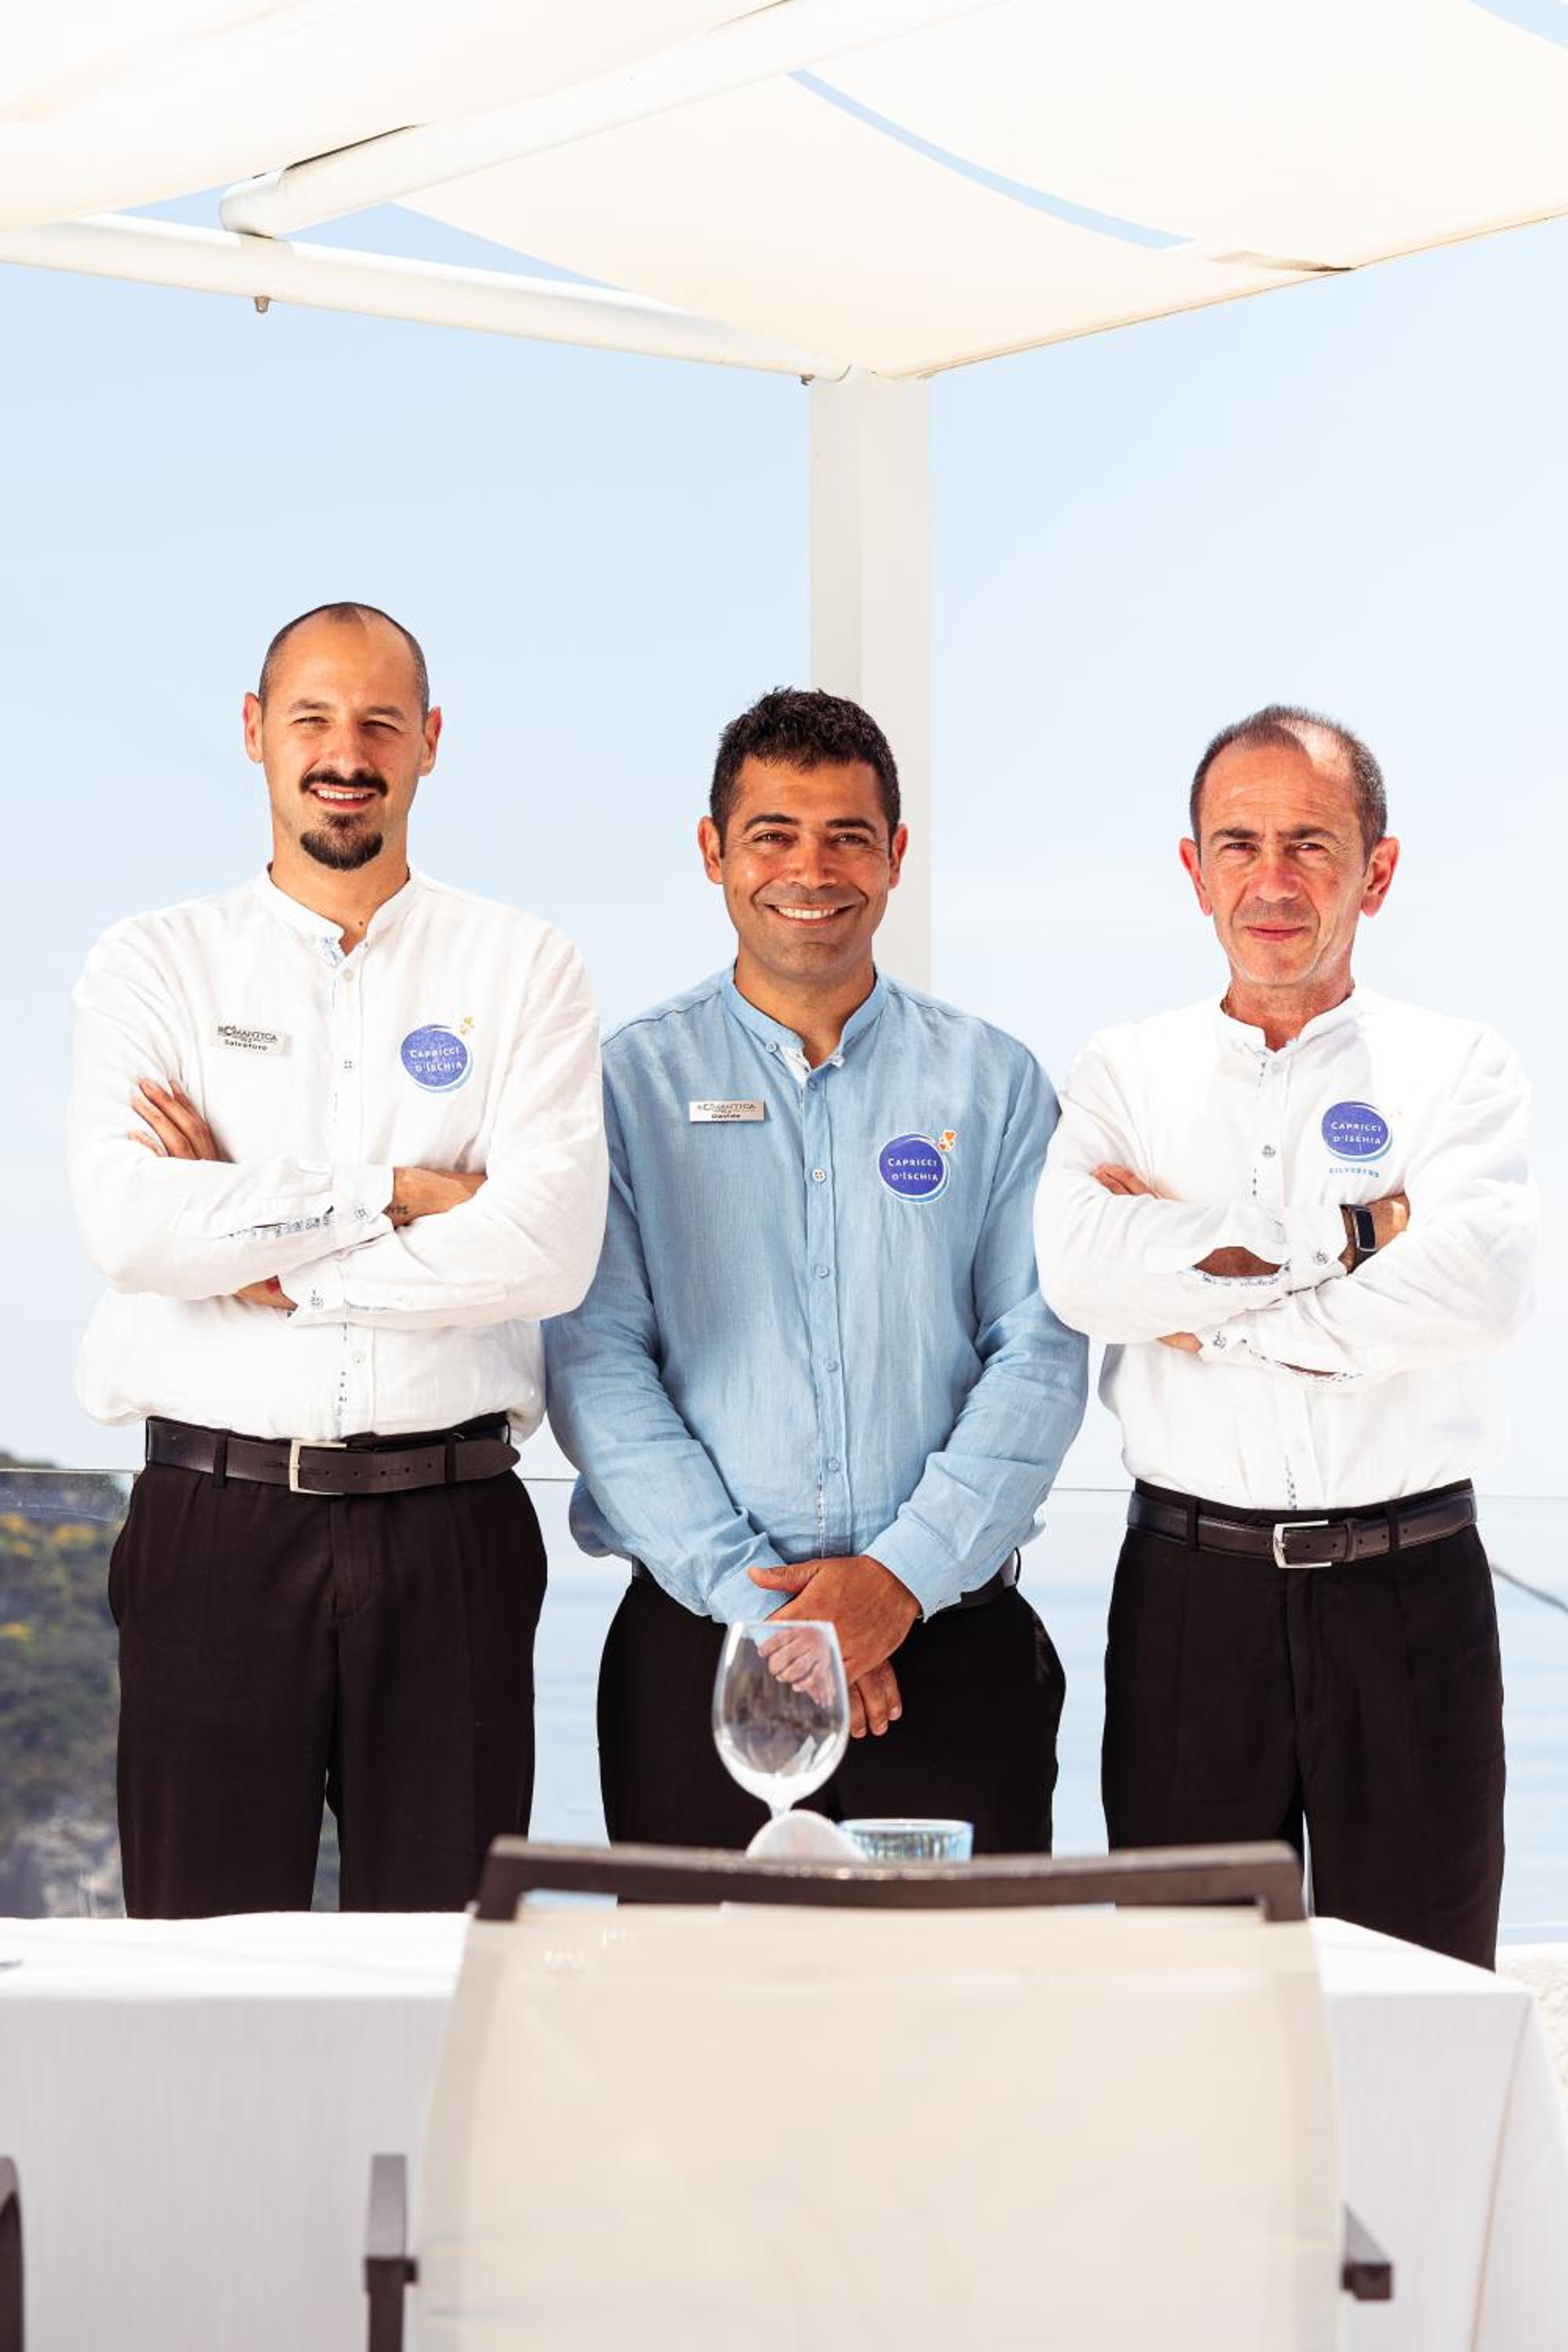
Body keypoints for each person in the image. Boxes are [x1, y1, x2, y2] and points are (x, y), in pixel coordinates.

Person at [67, 601, 607, 1917]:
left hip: (453, 1534)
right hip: (215, 1528)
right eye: (312, 718)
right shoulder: (153, 964)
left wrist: (268, 1260)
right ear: (257, 732)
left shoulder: (526, 966)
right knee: (200, 1966)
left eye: (379, 722)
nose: (345, 753)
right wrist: (398, 1194)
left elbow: (547, 1248)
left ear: (430, 741)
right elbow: (132, 1226)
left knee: (448, 1970)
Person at [1036, 704, 1535, 1965]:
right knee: (1189, 2011)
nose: (1273, 881)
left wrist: (1207, 1315)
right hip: (1189, 1603)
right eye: (1239, 844)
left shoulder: (1459, 1068)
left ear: (1379, 870)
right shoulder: (1125, 1071)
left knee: (1422, 1996)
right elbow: (1084, 1273)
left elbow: (1477, 1289)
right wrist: (1356, 1236)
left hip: (1411, 1593)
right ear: (1194, 868)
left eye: (1311, 845)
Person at [546, 687, 1086, 1852]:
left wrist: (896, 1583)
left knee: (964, 1972)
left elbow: (1040, 1356)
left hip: (952, 1654)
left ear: (895, 857)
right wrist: (780, 1621)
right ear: (713, 852)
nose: (811, 869)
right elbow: (596, 1367)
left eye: (848, 835)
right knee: (703, 1976)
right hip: (700, 1660)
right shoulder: (623, 1089)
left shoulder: (995, 1084)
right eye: (773, 835)